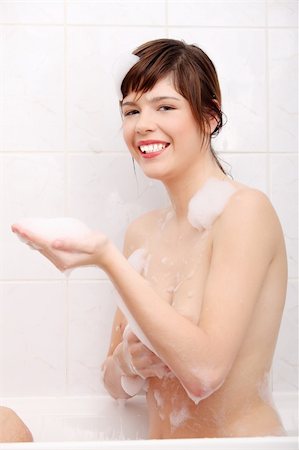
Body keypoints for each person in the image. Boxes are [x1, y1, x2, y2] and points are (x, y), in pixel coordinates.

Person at [11, 38, 288, 439]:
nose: (142, 124)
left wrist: (106, 258)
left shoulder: (245, 212)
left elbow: (204, 372)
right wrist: (129, 361)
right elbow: (113, 382)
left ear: (209, 118)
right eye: (131, 111)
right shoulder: (143, 231)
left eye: (165, 107)